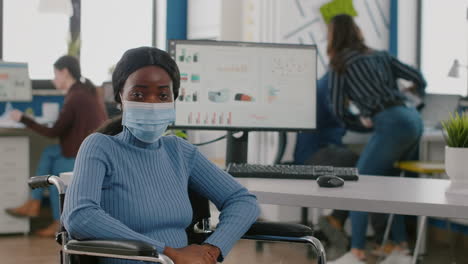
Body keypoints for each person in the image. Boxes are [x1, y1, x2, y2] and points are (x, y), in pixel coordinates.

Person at [62, 47, 260, 264]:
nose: (152, 104)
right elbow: (80, 217)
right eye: (138, 94)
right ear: (121, 96)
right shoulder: (100, 147)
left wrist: (211, 250)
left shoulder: (180, 151)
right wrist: (169, 253)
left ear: (173, 100)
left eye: (163, 95)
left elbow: (242, 200)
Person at [326, 14, 426, 264]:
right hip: (412, 119)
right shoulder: (381, 55)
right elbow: (417, 77)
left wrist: (359, 123)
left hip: (390, 123)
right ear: (357, 31)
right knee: (391, 185)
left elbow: (337, 109)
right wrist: (411, 94)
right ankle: (400, 248)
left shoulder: (340, 63)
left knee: (359, 184)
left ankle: (357, 251)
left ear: (333, 36)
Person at [5, 55, 108, 237]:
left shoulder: (75, 97)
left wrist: (23, 119)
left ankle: (45, 211)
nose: (54, 79)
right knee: (49, 153)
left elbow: (54, 132)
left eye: (55, 74)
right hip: (88, 149)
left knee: (54, 171)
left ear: (64, 72)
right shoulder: (85, 92)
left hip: (81, 154)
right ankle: (37, 205)